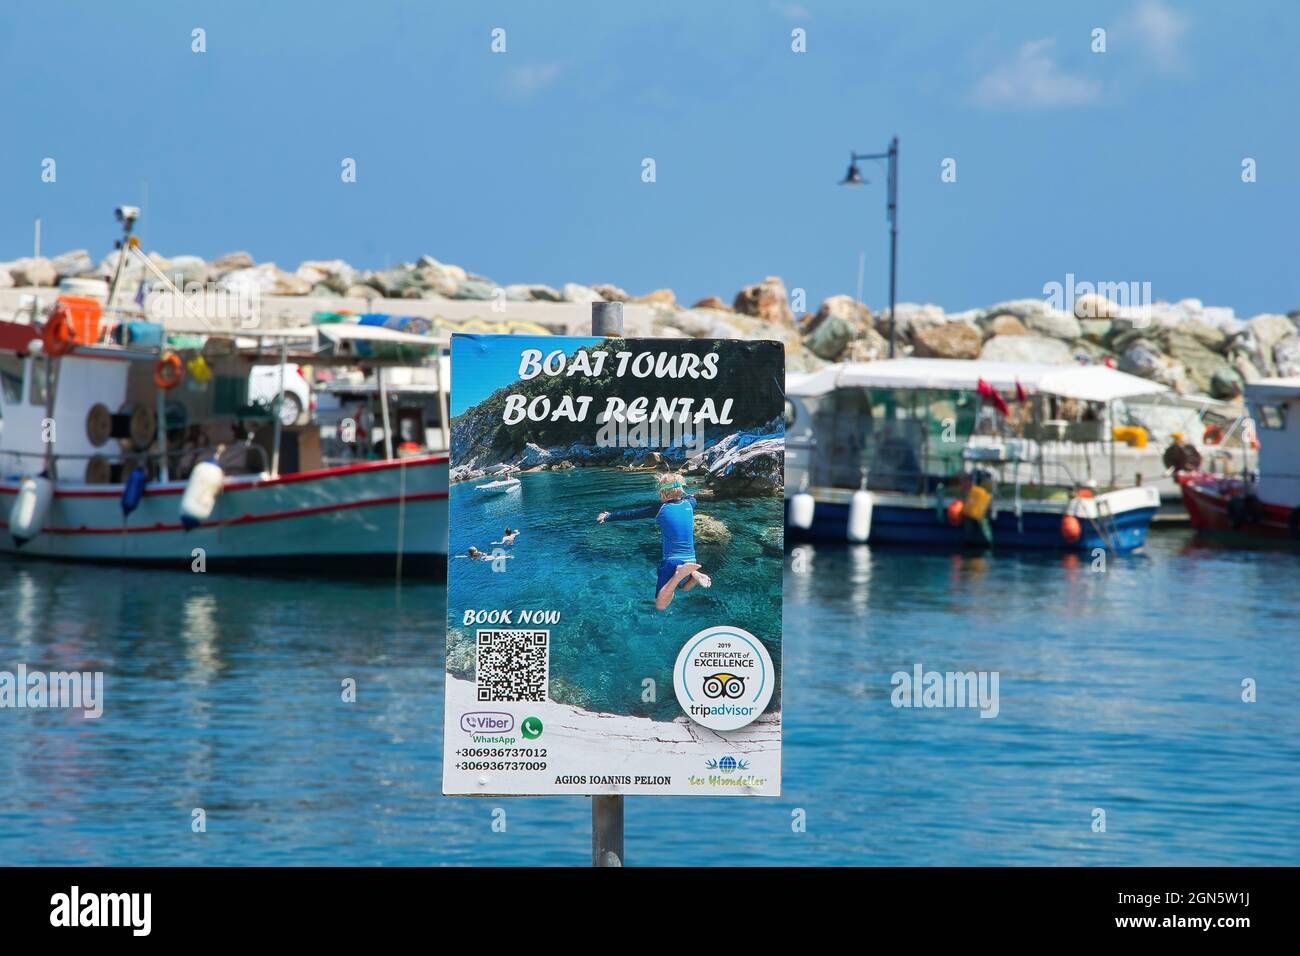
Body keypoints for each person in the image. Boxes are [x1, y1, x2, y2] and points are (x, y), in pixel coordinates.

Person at [597, 472, 711, 610]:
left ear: (662, 493)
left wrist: (608, 516)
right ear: (681, 489)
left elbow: (631, 514)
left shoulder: (660, 508)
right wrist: (689, 495)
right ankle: (695, 574)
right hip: (691, 559)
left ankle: (679, 574)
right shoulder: (690, 503)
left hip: (673, 561)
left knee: (660, 605)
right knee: (684, 589)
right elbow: (692, 498)